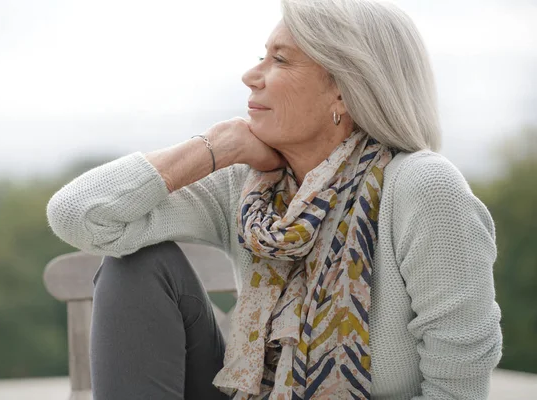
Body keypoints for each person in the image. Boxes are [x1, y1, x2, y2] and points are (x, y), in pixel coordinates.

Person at [46, 0, 503, 398]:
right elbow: (80, 216)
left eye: (280, 60)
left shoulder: (424, 189)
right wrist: (213, 147)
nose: (250, 76)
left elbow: (457, 388)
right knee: (136, 265)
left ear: (344, 87)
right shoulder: (249, 187)